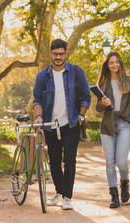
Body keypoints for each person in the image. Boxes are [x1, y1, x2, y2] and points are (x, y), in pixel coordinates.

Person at [33, 39, 91, 210]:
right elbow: (37, 100)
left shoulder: (76, 71)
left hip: (71, 124)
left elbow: (86, 97)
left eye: (61, 54)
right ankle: (59, 192)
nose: (58, 57)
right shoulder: (42, 76)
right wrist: (39, 117)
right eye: (55, 54)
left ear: (66, 54)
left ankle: (67, 197)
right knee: (55, 161)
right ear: (50, 54)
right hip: (50, 125)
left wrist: (81, 116)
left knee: (70, 160)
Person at [96, 51, 130, 208]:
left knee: (121, 161)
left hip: (124, 124)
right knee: (110, 162)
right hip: (107, 125)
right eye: (111, 62)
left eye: (117, 62)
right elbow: (98, 108)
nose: (114, 65)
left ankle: (125, 183)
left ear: (120, 63)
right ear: (107, 66)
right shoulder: (103, 83)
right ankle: (114, 195)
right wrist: (104, 104)